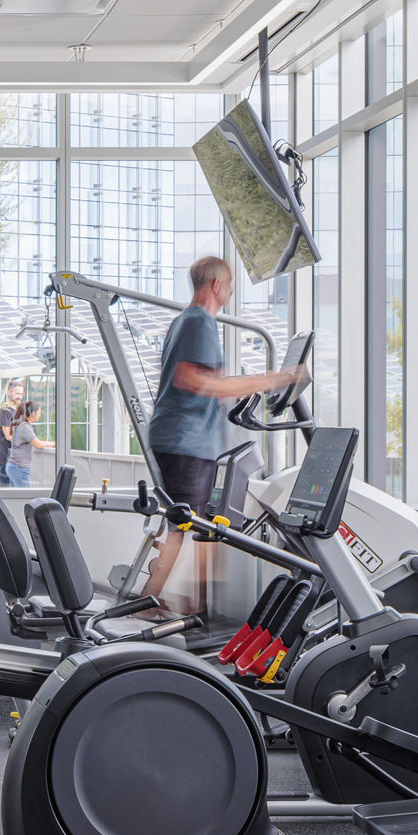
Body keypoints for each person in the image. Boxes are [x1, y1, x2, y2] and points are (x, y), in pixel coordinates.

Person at [140, 256, 307, 612]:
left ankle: (172, 605)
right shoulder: (200, 321)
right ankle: (170, 607)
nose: (231, 292)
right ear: (217, 285)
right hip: (187, 440)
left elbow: (203, 381)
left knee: (188, 527)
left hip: (180, 438)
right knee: (196, 528)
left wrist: (245, 385)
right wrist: (270, 380)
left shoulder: (184, 322)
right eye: (230, 286)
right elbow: (190, 379)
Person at [4, 393, 51, 487]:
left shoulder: (20, 425)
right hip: (19, 468)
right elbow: (38, 444)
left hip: (14, 466)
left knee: (17, 500)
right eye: (39, 413)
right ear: (33, 414)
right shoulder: (24, 426)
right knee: (25, 498)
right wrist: (54, 444)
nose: (39, 415)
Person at [0, 379, 30, 484]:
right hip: (7, 458)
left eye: (21, 394)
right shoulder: (5, 410)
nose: (19, 396)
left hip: (15, 459)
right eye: (17, 393)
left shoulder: (16, 411)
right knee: (7, 493)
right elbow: (8, 436)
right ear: (9, 392)